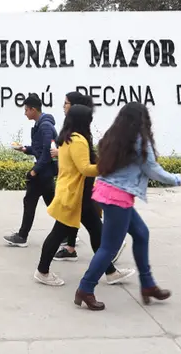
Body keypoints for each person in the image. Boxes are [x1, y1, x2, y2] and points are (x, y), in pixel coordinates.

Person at [74, 102, 181, 311]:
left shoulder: (113, 136)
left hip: (105, 192)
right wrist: (177, 179)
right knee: (109, 247)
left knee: (141, 233)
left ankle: (148, 285)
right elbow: (153, 169)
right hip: (118, 198)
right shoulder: (139, 140)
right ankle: (85, 288)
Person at [33, 104, 123, 287]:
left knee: (97, 231)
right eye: (89, 118)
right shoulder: (78, 140)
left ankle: (111, 272)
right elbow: (85, 168)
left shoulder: (67, 138)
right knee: (58, 234)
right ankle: (42, 271)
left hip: (75, 194)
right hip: (75, 195)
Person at [52, 92, 129, 271]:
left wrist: (106, 166)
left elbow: (86, 164)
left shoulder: (78, 135)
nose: (64, 106)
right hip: (77, 188)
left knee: (68, 230)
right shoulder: (73, 132)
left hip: (81, 187)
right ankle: (107, 268)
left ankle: (45, 268)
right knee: (90, 227)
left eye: (66, 103)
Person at [3, 93, 57, 247]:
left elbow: (47, 151)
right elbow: (39, 149)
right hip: (44, 172)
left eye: (26, 110)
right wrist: (25, 149)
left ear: (33, 109)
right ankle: (68, 233)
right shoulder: (40, 124)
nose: (25, 113)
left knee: (31, 201)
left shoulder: (45, 125)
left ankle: (22, 236)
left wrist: (34, 171)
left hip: (42, 172)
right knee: (53, 204)